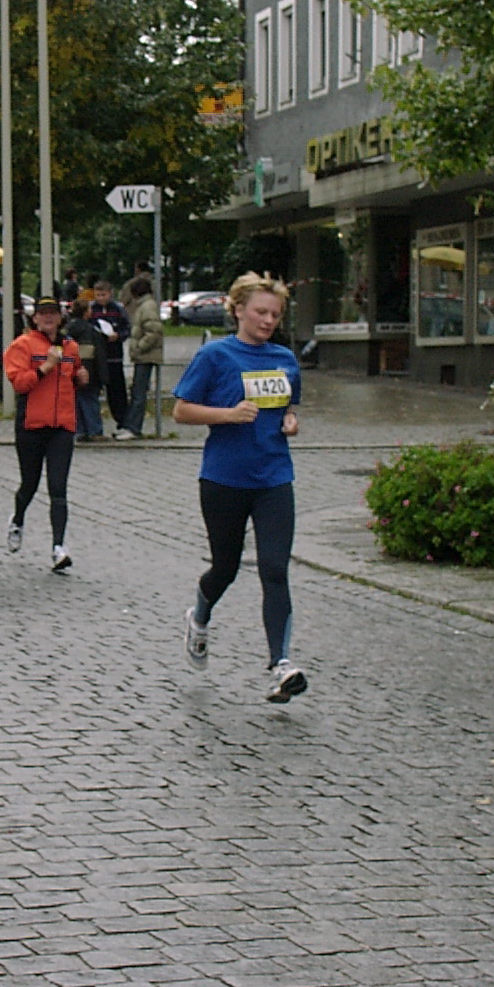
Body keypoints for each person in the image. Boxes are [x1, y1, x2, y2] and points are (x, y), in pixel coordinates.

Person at [173, 272, 307, 704]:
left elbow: (289, 406)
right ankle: (200, 615)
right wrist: (227, 415)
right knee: (226, 568)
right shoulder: (215, 356)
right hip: (224, 479)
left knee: (274, 568)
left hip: (273, 478)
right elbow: (181, 412)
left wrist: (290, 420)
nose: (269, 320)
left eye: (276, 314)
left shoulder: (285, 358)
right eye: (261, 312)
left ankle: (280, 665)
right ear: (238, 311)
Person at [4, 297, 87, 572]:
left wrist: (81, 375)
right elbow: (19, 383)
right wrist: (44, 368)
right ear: (35, 318)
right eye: (43, 314)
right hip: (32, 426)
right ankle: (17, 520)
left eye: (53, 313)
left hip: (62, 426)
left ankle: (58, 547)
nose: (48, 318)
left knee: (58, 486)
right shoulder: (22, 345)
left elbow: (74, 375)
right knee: (30, 483)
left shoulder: (70, 347)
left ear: (61, 318)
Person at [88, 280, 132, 437]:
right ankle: (92, 426)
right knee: (93, 391)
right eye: (98, 295)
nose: (100, 298)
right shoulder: (91, 310)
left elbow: (127, 328)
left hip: (114, 357)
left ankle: (122, 422)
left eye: (103, 294)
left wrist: (118, 336)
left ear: (110, 294)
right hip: (97, 357)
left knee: (117, 391)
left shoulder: (118, 310)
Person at [122, 275, 164, 439]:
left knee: (139, 392)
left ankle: (134, 427)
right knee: (137, 390)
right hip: (144, 355)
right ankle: (131, 425)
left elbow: (153, 331)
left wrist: (140, 347)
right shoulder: (147, 305)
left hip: (146, 355)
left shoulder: (146, 307)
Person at [65, 297, 105, 441]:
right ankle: (95, 430)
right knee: (90, 401)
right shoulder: (91, 331)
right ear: (86, 312)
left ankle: (80, 430)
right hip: (90, 371)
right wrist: (102, 375)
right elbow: (97, 354)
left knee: (77, 401)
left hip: (70, 371)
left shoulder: (68, 330)